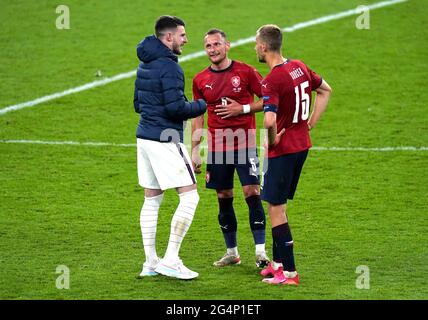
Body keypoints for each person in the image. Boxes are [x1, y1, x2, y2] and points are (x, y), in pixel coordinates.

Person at [254, 24, 332, 285]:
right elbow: (325, 90)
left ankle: (289, 273)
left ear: (264, 47)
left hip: (284, 151)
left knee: (276, 209)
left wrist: (272, 141)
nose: (256, 47)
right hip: (301, 145)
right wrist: (310, 122)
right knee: (277, 204)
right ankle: (276, 264)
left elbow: (268, 121)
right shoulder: (298, 65)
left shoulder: (271, 80)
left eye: (256, 44)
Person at [133, 15, 207, 280]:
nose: (186, 40)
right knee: (190, 196)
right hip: (164, 139)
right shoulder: (170, 67)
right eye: (182, 35)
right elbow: (176, 108)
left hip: (144, 138)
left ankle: (150, 262)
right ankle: (171, 259)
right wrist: (202, 104)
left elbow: (137, 105)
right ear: (168, 37)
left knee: (152, 199)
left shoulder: (145, 65)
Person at [191, 28, 269, 268]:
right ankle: (232, 252)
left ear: (227, 46)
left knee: (252, 193)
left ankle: (260, 253)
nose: (213, 50)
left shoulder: (245, 72)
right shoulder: (200, 79)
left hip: (245, 144)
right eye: (208, 46)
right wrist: (195, 149)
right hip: (216, 148)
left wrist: (242, 109)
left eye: (217, 45)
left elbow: (268, 98)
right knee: (223, 196)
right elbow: (198, 115)